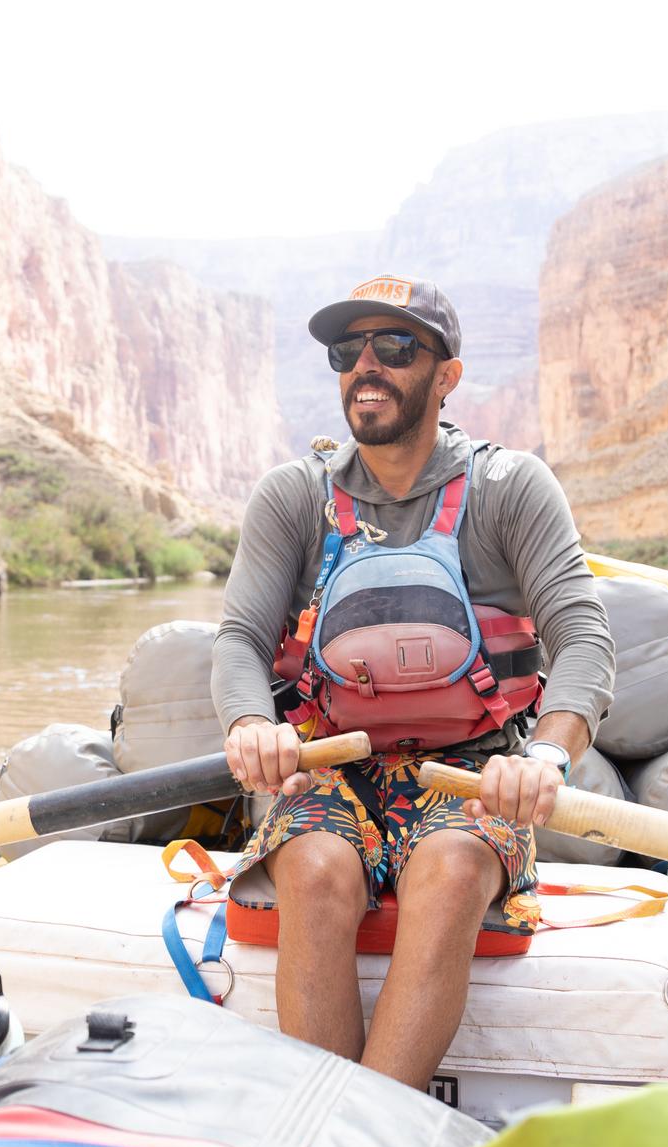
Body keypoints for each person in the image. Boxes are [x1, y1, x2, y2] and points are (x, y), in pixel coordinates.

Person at [211, 274, 614, 1090]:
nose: (366, 366)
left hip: (473, 767)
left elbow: (585, 639)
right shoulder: (295, 498)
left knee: (456, 866)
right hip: (328, 765)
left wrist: (545, 757)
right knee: (316, 869)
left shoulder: (510, 488)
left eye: (395, 348)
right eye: (347, 350)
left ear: (446, 376)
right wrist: (252, 725)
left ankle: (361, 1142)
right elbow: (239, 640)